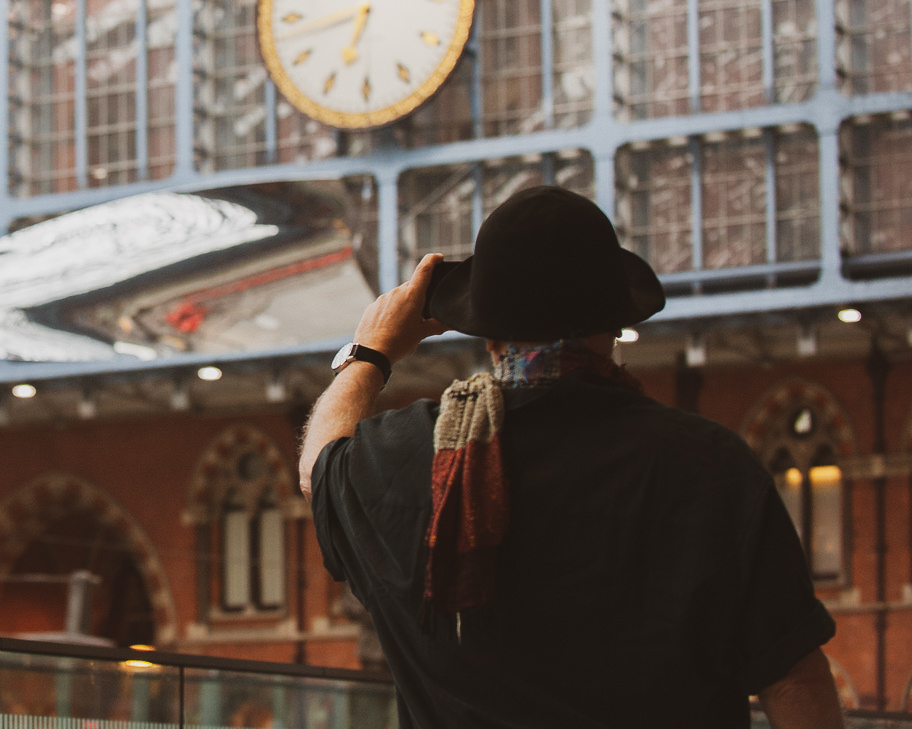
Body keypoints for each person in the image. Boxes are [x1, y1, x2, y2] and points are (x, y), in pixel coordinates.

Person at [299, 186, 844, 729]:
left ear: (489, 335)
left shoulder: (400, 462)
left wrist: (370, 354)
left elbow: (316, 467)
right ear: (610, 327)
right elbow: (792, 679)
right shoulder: (711, 465)